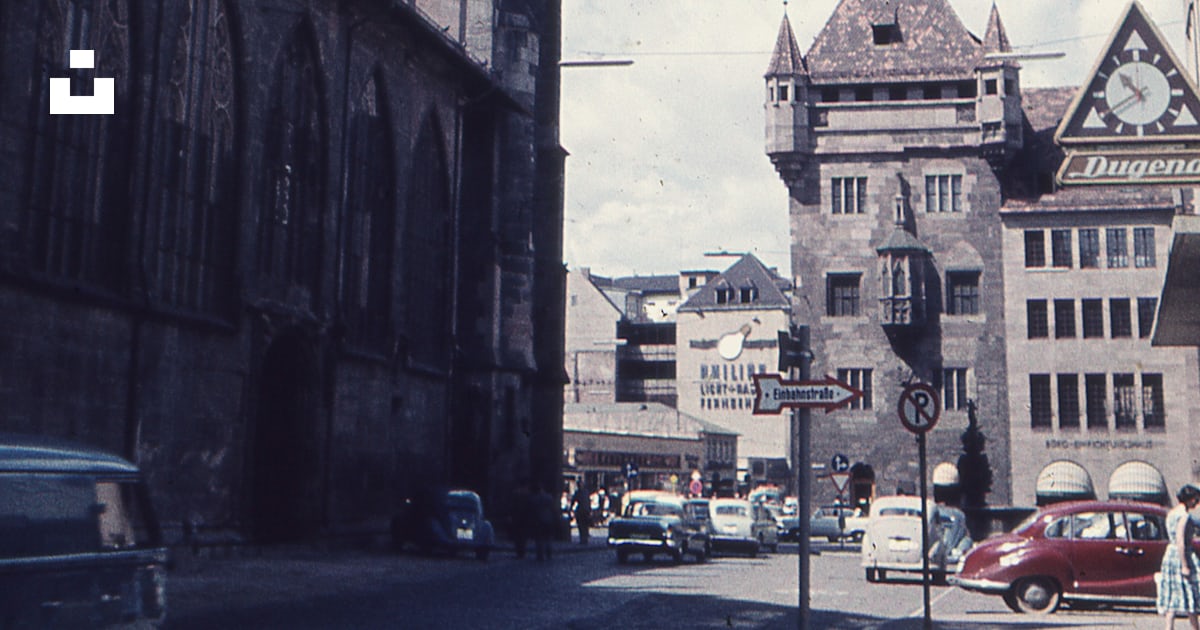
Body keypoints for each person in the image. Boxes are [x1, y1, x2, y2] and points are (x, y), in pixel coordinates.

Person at [1158, 484, 1200, 630]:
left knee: (1172, 595)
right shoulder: (1184, 515)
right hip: (1181, 555)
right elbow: (1181, 540)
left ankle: (1169, 627)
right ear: (1190, 499)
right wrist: (1185, 565)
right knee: (1190, 593)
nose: (1197, 503)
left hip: (1170, 554)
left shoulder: (1172, 513)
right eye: (1196, 499)